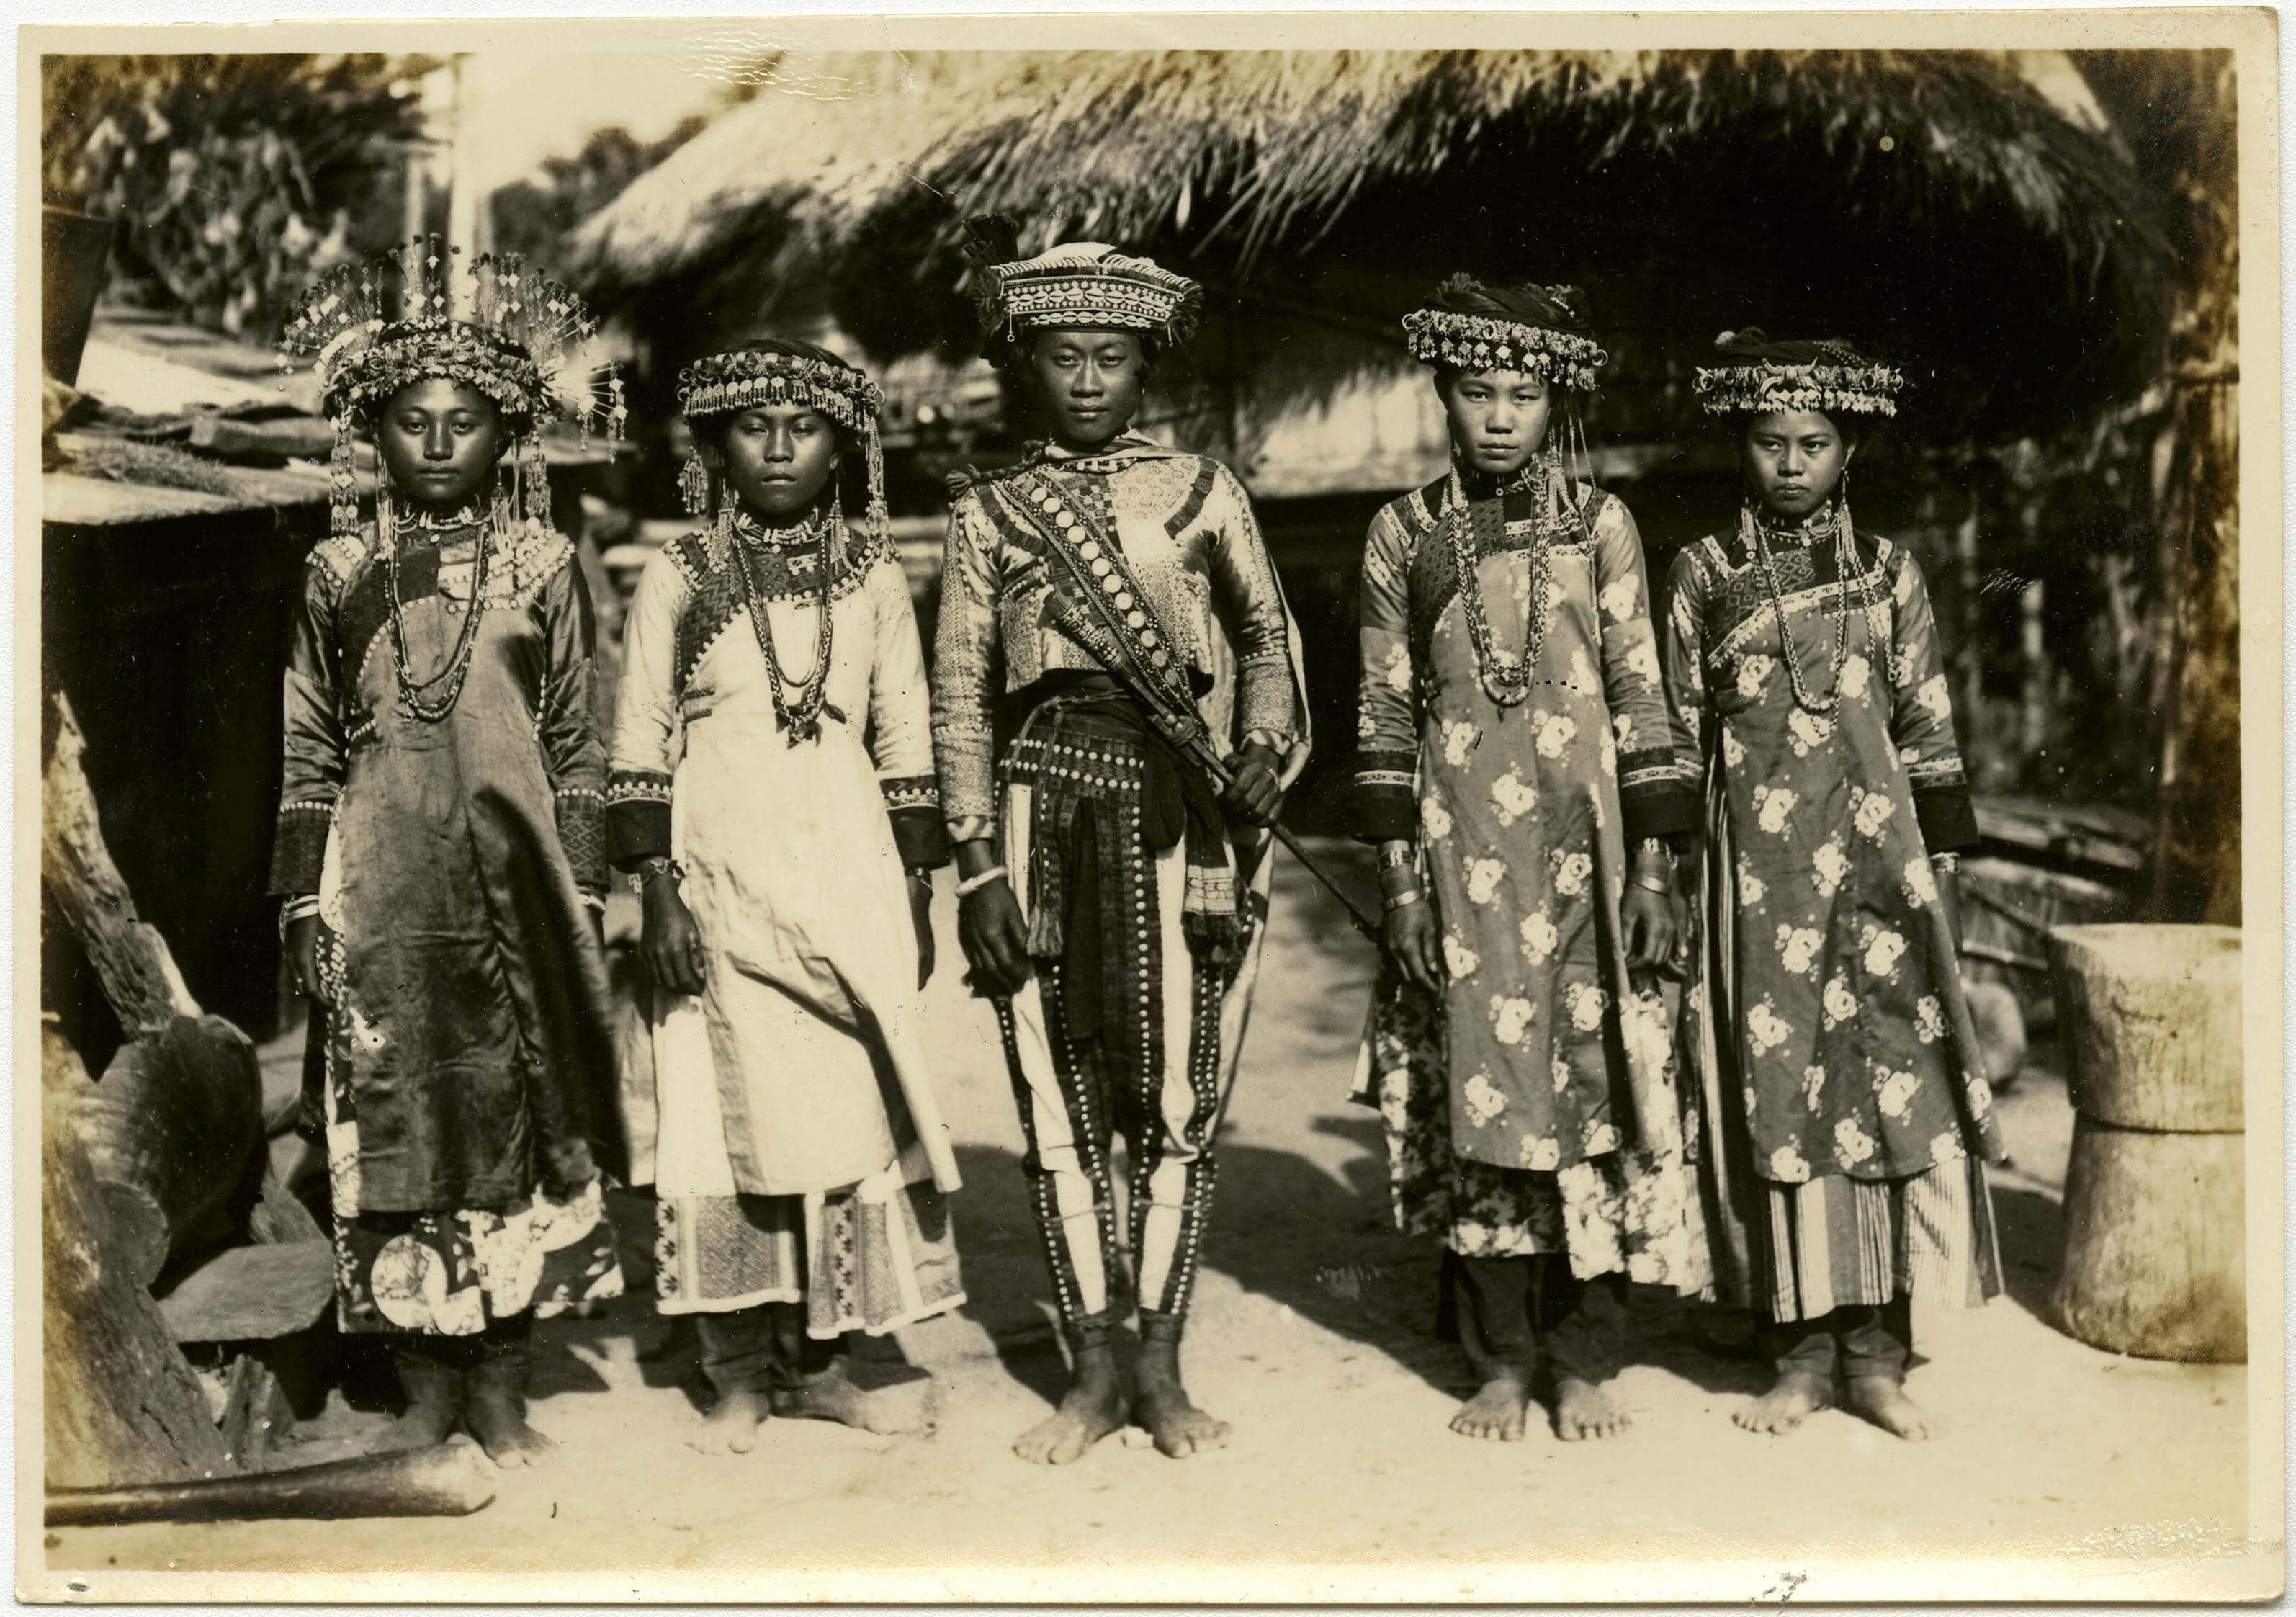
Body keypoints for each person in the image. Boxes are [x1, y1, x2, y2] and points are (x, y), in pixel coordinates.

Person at [932, 224, 1311, 1464]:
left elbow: (1264, 638)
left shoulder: (1206, 492)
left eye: (1110, 358)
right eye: (1062, 357)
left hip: (1188, 815)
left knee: (1179, 1092)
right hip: (1043, 808)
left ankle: (1162, 1362)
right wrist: (978, 864)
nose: (1087, 381)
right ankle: (1089, 1368)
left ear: (1147, 367)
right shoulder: (989, 514)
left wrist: (1260, 749)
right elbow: (958, 698)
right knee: (1057, 1090)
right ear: (1024, 365)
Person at [271, 238, 627, 1466]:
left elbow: (578, 741)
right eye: (411, 421)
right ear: (372, 435)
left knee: (517, 1108)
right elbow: (309, 743)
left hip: (516, 892)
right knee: (396, 1114)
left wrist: (581, 884)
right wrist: (303, 908)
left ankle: (505, 1378)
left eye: (462, 421)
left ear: (505, 434)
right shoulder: (335, 571)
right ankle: (424, 1377)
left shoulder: (543, 565)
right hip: (380, 895)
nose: (435, 442)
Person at [1349, 276, 1709, 1445]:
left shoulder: (1602, 526)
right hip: (1463, 859)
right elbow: (1385, 713)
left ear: (1555, 403)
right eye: (1477, 392)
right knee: (1483, 1087)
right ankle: (1499, 1356)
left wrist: (1655, 869)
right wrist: (1401, 882)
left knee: (1596, 1083)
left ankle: (1587, 1353)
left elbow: (1646, 690)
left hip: (1589, 855)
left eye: (1524, 393)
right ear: (1444, 396)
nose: (1501, 416)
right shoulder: (1400, 535)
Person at [607, 338, 964, 1453]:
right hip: (718, 883)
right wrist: (658, 893)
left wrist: (914, 885)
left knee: (843, 1120)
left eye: (801, 427)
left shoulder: (873, 572)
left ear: (841, 445)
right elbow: (637, 740)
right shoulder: (679, 575)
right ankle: (739, 1370)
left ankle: (823, 1363)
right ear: (714, 446)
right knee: (724, 1129)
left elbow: (906, 725)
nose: (776, 447)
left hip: (847, 876)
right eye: (750, 427)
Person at [1663, 330, 2006, 1440]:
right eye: (1770, 443)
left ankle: (1876, 1354)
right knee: (1777, 1089)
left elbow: (1928, 721)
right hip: (1758, 883)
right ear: (1740, 447)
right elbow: (1670, 731)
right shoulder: (1704, 574)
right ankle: (1799, 1351)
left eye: (1815, 442)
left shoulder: (1890, 571)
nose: (1792, 463)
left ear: (1849, 446)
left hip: (1878, 875)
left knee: (1889, 1086)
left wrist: (1940, 864)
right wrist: (1673, 872)